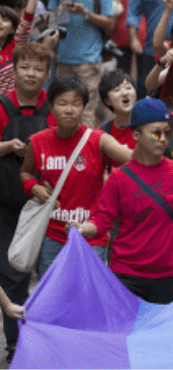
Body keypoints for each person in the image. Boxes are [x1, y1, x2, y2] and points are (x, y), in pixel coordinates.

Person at [67, 97, 173, 304]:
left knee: (167, 336)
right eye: (156, 133)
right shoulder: (118, 178)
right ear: (136, 135)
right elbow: (102, 219)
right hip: (126, 275)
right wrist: (83, 229)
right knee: (126, 335)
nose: (164, 139)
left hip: (171, 277)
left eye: (167, 133)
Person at [19, 76, 132, 278]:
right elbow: (25, 172)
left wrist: (151, 134)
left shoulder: (98, 140)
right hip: (53, 236)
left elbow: (134, 160)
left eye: (76, 104)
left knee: (88, 296)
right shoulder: (37, 142)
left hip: (91, 236)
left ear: (84, 108)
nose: (69, 110)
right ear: (51, 107)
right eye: (62, 103)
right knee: (52, 299)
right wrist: (33, 187)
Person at [0, 42, 52, 362]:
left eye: (38, 69)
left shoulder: (55, 105)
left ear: (47, 74)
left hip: (47, 206)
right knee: (12, 275)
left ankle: (49, 340)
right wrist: (7, 147)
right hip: (6, 204)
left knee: (50, 274)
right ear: (14, 70)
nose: (31, 74)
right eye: (25, 67)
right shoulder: (3, 105)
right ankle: (15, 343)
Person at [48, 0, 115, 128]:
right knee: (63, 109)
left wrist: (87, 13)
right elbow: (58, 27)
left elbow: (110, 23)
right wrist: (61, 13)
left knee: (85, 110)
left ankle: (87, 150)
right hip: (63, 59)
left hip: (89, 61)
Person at [98, 69, 137, 170]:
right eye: (117, 90)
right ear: (107, 101)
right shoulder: (102, 134)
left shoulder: (149, 128)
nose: (124, 93)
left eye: (128, 88)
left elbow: (158, 139)